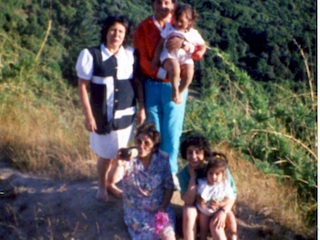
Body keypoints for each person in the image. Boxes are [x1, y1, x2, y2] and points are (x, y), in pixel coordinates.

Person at [133, 0, 202, 190]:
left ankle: (170, 175)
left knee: (172, 134)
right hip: (152, 85)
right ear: (153, 4)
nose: (165, 7)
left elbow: (199, 52)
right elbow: (143, 62)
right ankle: (150, 174)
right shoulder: (143, 28)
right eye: (160, 2)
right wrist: (162, 73)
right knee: (152, 133)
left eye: (168, 2)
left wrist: (187, 45)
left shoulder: (180, 22)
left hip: (175, 87)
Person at [76, 16, 145, 201]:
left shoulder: (130, 54)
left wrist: (142, 108)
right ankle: (101, 186)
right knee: (106, 154)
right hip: (102, 115)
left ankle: (111, 184)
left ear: (125, 35)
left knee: (121, 154)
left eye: (121, 32)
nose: (116, 35)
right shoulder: (91, 55)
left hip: (125, 114)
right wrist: (88, 115)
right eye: (113, 30)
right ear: (106, 32)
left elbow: (137, 83)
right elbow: (83, 87)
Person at [112, 122, 176, 239]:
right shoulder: (129, 160)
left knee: (169, 237)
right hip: (138, 212)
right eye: (139, 142)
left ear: (154, 146)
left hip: (160, 208)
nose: (141, 146)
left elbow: (169, 186)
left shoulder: (163, 159)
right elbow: (113, 179)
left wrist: (163, 206)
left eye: (147, 143)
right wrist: (119, 165)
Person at [178, 135, 237, 240]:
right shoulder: (184, 174)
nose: (193, 156)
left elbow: (233, 193)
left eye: (198, 152)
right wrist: (192, 177)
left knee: (223, 221)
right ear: (185, 154)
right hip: (200, 210)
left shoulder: (216, 167)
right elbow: (188, 201)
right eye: (190, 152)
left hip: (219, 207)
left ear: (204, 153)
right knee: (188, 211)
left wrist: (223, 211)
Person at [151, 3, 206, 104]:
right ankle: (175, 90)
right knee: (175, 68)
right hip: (169, 55)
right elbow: (160, 44)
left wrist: (200, 52)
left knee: (189, 73)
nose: (178, 23)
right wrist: (156, 57)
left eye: (182, 21)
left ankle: (179, 92)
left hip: (185, 57)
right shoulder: (169, 28)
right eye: (176, 20)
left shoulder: (193, 33)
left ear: (189, 21)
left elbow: (203, 45)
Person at [196, 153, 237, 240]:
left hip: (219, 210)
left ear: (223, 175)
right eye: (211, 173)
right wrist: (200, 200)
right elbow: (197, 195)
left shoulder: (224, 185)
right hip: (205, 211)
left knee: (230, 216)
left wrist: (220, 204)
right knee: (203, 226)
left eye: (217, 174)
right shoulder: (203, 183)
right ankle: (203, 237)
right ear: (207, 173)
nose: (213, 177)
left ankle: (233, 234)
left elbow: (229, 198)